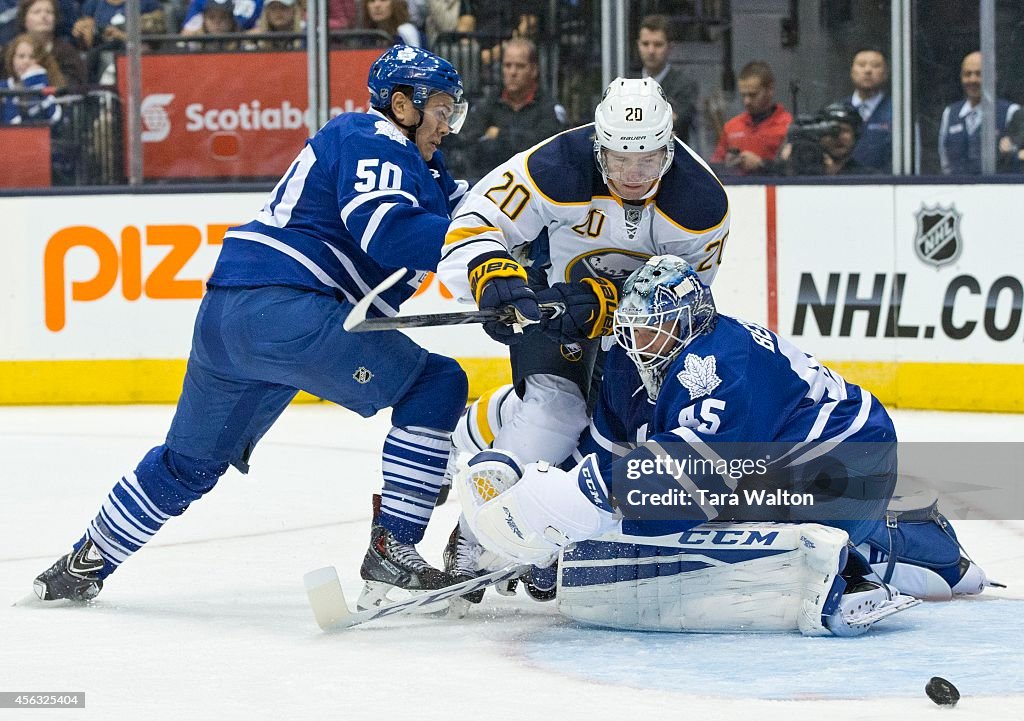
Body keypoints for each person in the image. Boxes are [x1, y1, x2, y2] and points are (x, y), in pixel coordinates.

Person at [32, 45, 472, 609]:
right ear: (401, 104)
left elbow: (482, 220)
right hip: (287, 312)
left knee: (189, 463)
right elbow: (388, 230)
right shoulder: (374, 137)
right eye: (439, 108)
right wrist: (496, 264)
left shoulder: (427, 170)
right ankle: (395, 550)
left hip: (229, 318)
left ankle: (85, 561)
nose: (447, 123)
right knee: (434, 386)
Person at [454, 256, 989, 633]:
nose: (635, 343)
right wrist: (555, 532)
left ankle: (902, 537)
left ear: (687, 324)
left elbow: (691, 476)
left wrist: (575, 503)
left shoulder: (718, 359)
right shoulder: (626, 361)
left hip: (846, 446)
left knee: (770, 520)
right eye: (630, 329)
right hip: (764, 459)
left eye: (649, 330)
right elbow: (608, 456)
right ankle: (869, 543)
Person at [435, 77, 729, 594]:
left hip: (638, 327)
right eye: (619, 160)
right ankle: (474, 539)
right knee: (554, 410)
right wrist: (489, 269)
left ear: (669, 148)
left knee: (625, 434)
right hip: (552, 297)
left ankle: (478, 445)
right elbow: (476, 219)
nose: (633, 175)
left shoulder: (702, 203)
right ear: (598, 146)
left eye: (647, 160)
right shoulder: (557, 165)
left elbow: (688, 305)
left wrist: (610, 306)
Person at [457, 37, 564, 178]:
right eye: (507, 65)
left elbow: (546, 148)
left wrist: (500, 136)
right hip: (490, 180)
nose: (512, 72)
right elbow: (467, 140)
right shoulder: (490, 101)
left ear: (534, 70)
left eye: (520, 66)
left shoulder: (549, 108)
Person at [938, 50, 1020, 176]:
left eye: (979, 74)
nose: (973, 79)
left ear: (993, 76)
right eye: (967, 74)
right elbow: (944, 161)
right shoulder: (950, 114)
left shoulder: (1011, 112)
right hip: (956, 190)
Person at [710, 60, 791, 175]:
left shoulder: (788, 126)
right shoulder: (731, 127)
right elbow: (716, 165)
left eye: (753, 95)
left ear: (770, 90)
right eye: (743, 95)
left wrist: (761, 164)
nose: (746, 101)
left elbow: (793, 171)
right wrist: (727, 164)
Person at [636, 14, 699, 146]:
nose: (651, 50)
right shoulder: (626, 84)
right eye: (645, 44)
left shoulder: (685, 85)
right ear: (638, 45)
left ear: (670, 47)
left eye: (658, 45)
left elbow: (677, 124)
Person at [832, 47, 891, 173]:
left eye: (875, 66)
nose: (868, 70)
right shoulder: (835, 111)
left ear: (886, 73)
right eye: (861, 65)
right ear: (852, 71)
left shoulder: (898, 112)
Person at [777, 101, 875, 176]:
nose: (837, 136)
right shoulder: (800, 171)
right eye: (831, 130)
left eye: (844, 130)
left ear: (855, 135)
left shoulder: (866, 177)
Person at [17, 0, 86, 88]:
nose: (44, 16)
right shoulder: (11, 50)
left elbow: (73, 85)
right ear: (24, 18)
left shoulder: (67, 52)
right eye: (36, 12)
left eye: (49, 12)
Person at [2, 32, 63, 124]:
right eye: (21, 56)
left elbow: (53, 118)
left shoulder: (50, 85)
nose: (26, 61)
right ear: (12, 59)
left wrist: (35, 80)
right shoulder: (3, 88)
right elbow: (13, 122)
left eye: (32, 57)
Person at [182, 0, 262, 33]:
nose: (217, 21)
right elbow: (187, 32)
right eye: (212, 17)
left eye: (223, 17)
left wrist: (244, 37)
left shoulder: (257, 2)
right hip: (208, 47)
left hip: (243, 47)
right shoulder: (201, 2)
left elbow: (262, 29)